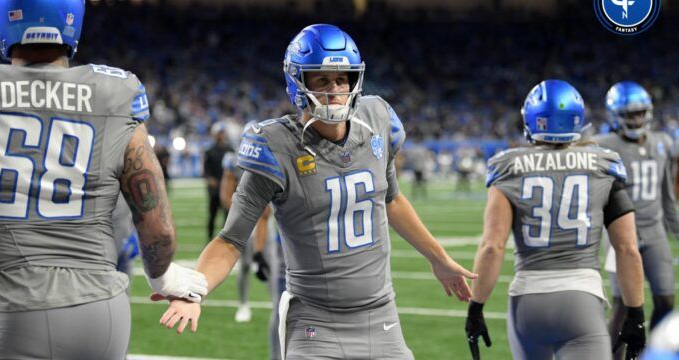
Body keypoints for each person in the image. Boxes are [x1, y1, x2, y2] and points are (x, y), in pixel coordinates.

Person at [157, 24, 475, 359]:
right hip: (315, 325)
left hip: (381, 317)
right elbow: (231, 239)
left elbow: (392, 200)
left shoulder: (377, 118)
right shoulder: (277, 145)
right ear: (298, 82)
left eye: (342, 79)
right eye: (321, 80)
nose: (334, 90)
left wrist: (439, 260)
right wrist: (194, 291)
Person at [0, 0, 207, 358]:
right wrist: (162, 276)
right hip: (100, 312)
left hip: (7, 305)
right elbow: (157, 226)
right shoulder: (116, 91)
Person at [465, 80, 646, 360]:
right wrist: (636, 313)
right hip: (581, 298)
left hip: (528, 300)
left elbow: (492, 246)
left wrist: (476, 307)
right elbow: (627, 249)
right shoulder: (604, 165)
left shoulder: (508, 167)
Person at [593, 82, 679, 347]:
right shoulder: (603, 146)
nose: (636, 119)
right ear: (615, 116)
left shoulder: (663, 143)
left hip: (654, 232)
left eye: (640, 112)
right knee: (624, 304)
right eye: (630, 114)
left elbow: (666, 195)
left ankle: (652, 351)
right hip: (620, 236)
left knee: (665, 298)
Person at [218, 121, 272, 323]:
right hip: (245, 217)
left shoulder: (269, 159)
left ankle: (277, 304)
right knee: (245, 265)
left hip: (263, 219)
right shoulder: (233, 160)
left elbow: (268, 208)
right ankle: (243, 304)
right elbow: (225, 198)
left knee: (271, 264)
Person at [203, 122, 234, 240]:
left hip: (227, 187)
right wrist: (210, 179)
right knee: (212, 215)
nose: (221, 135)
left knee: (227, 215)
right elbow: (205, 170)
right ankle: (209, 239)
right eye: (219, 133)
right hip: (214, 189)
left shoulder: (230, 150)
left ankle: (225, 239)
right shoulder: (209, 151)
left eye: (222, 133)